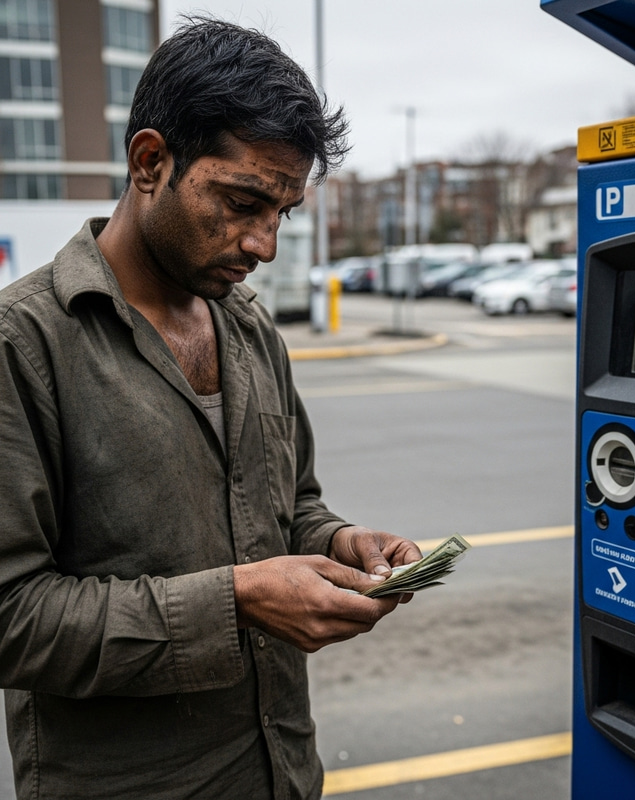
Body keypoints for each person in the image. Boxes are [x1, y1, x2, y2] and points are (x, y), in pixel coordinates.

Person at [0, 17, 422, 800]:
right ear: (151, 161)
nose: (263, 242)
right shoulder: (23, 345)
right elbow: (11, 614)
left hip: (284, 773)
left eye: (282, 212)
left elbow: (289, 505)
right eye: (240, 201)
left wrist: (343, 541)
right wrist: (238, 601)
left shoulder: (251, 326)